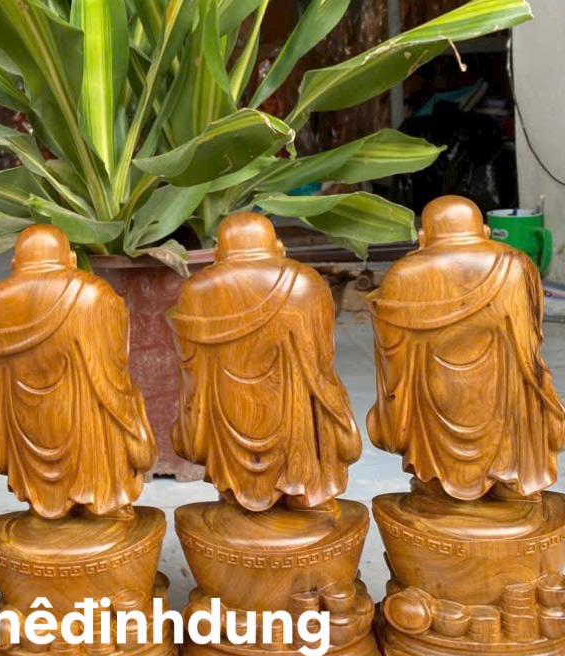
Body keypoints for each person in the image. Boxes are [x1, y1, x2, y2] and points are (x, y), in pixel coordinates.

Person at [368, 196, 565, 500]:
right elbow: (530, 341)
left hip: (434, 392)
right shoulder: (516, 265)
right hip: (503, 388)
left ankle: (437, 489)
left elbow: (392, 355)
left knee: (434, 476)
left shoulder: (402, 276)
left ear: (423, 237)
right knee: (513, 432)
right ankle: (511, 488)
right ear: (485, 231)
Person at [169, 212, 361, 512]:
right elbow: (322, 360)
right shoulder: (306, 283)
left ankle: (236, 492)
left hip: (228, 410)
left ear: (217, 253)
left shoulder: (196, 291)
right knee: (308, 419)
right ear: (279, 247)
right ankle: (299, 492)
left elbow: (190, 367)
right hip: (293, 413)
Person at [0, 225, 156, 519]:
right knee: (104, 422)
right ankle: (104, 505)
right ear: (70, 259)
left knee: (38, 473)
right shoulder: (92, 293)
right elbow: (113, 371)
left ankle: (42, 506)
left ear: (15, 263)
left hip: (26, 421)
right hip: (86, 416)